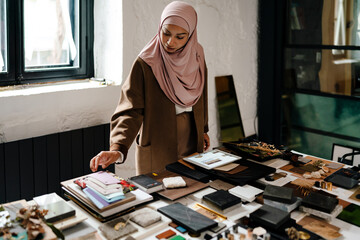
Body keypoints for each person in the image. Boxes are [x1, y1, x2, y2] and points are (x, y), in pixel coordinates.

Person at [90, 1, 209, 175]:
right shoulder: (146, 63)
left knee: (192, 190)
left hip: (192, 137)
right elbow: (130, 109)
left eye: (180, 36)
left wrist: (203, 128)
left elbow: (201, 92)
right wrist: (118, 147)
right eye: (166, 33)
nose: (170, 42)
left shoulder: (197, 54)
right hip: (159, 142)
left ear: (191, 35)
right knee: (160, 194)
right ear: (160, 27)